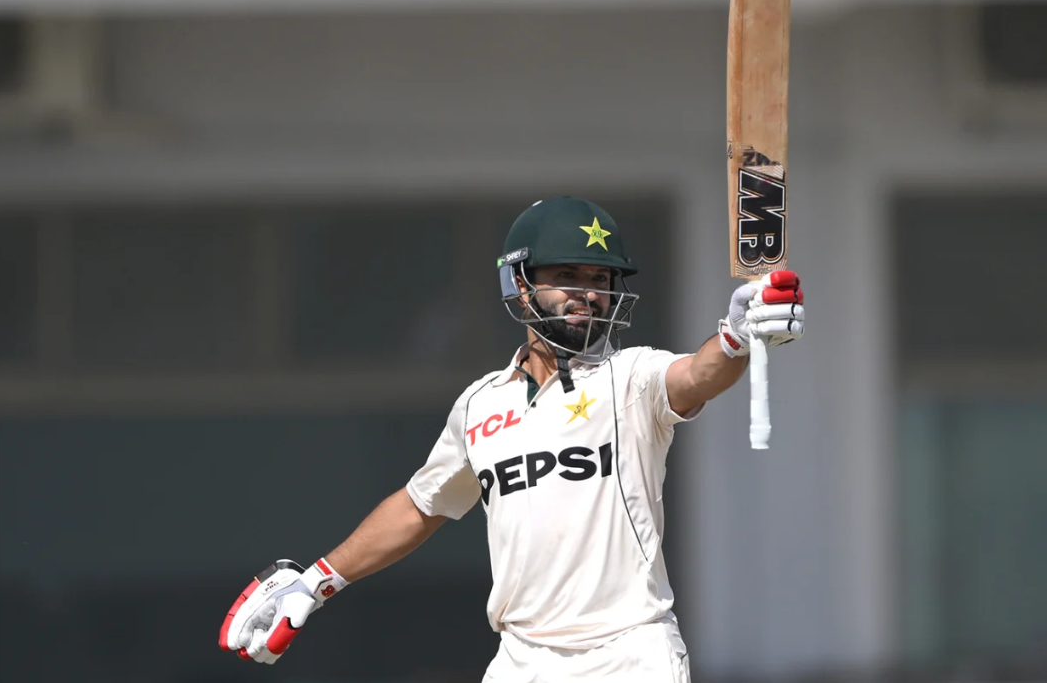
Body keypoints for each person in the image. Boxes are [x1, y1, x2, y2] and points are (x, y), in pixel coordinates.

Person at [219, 196, 805, 682]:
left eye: (599, 278)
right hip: (522, 659)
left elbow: (697, 374)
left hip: (628, 654)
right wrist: (320, 580)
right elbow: (421, 505)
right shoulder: (481, 403)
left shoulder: (631, 379)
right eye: (567, 276)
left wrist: (734, 336)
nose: (589, 293)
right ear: (521, 284)